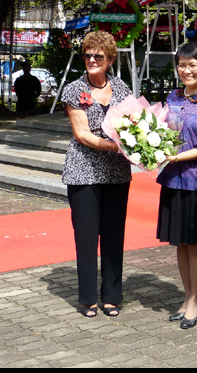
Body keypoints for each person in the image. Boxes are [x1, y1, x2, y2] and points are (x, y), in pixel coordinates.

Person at [61, 31, 133, 318]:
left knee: (114, 236)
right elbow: (82, 135)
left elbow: (134, 124)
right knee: (87, 237)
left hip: (116, 174)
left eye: (98, 56)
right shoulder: (73, 89)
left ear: (110, 59)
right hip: (84, 171)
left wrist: (139, 145)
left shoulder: (122, 89)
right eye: (88, 55)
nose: (92, 60)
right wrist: (120, 148)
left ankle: (112, 296)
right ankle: (88, 298)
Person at [156, 41, 197, 329]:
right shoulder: (172, 97)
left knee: (195, 243)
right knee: (180, 242)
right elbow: (160, 129)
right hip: (173, 179)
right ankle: (185, 297)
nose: (186, 70)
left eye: (193, 65)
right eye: (182, 64)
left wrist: (176, 155)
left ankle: (195, 299)